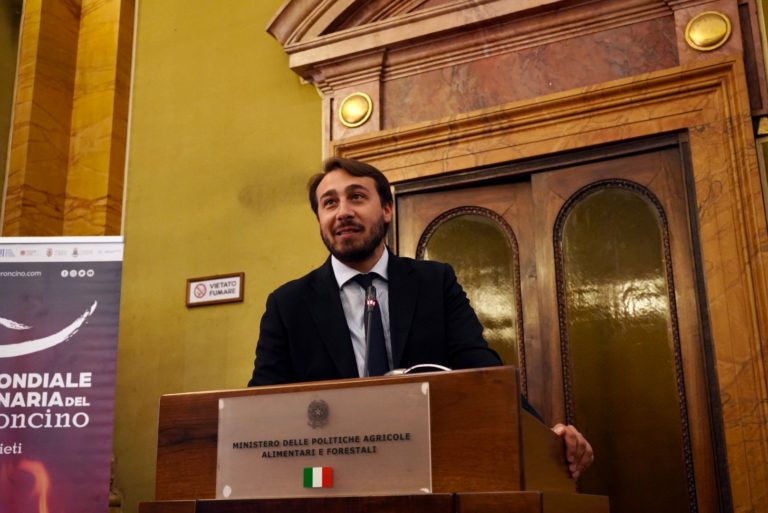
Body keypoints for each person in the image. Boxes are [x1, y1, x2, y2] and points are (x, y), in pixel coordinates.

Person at [248, 157, 594, 479]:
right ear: (319, 220)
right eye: (329, 203)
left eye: (356, 197)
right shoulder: (287, 303)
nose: (343, 212)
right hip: (328, 475)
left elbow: (482, 373)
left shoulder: (435, 283)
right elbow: (261, 404)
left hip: (429, 468)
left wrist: (545, 435)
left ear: (387, 209)